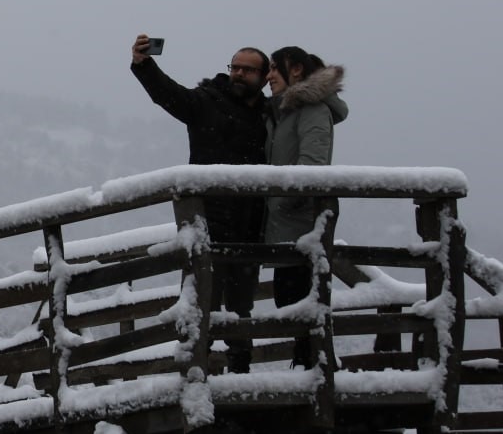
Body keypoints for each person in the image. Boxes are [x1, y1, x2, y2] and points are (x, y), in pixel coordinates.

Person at [130, 35, 270, 372]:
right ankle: (196, 372)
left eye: (248, 70)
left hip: (251, 220)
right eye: (235, 67)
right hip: (208, 216)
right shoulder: (207, 101)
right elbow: (170, 95)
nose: (239, 73)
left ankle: (240, 371)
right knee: (202, 297)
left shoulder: (270, 113)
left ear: (264, 78)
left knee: (240, 303)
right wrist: (144, 64)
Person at [262, 46, 348, 367]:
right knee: (292, 306)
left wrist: (280, 203)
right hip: (286, 228)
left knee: (302, 307)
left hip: (301, 228)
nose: (269, 76)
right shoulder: (286, 112)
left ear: (295, 70)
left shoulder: (312, 110)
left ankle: (315, 377)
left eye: (274, 68)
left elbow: (311, 165)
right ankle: (309, 372)